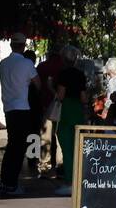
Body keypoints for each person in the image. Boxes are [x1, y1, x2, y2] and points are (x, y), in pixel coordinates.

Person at [0, 32, 39, 197]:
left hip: (8, 108)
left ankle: (5, 182)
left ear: (11, 45)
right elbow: (38, 84)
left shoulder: (2, 64)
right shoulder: (27, 64)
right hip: (22, 108)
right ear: (23, 45)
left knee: (11, 146)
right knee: (19, 148)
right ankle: (11, 184)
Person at [53, 45, 88, 197]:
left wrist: (50, 88)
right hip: (78, 111)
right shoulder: (81, 75)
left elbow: (60, 95)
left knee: (66, 147)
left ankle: (69, 182)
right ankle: (78, 179)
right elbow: (84, 97)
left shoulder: (62, 74)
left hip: (66, 109)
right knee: (77, 146)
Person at [35, 47, 64, 174]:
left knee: (45, 137)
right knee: (59, 137)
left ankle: (44, 166)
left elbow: (37, 86)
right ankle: (60, 165)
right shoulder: (63, 68)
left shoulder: (41, 67)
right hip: (62, 106)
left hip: (46, 105)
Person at [23, 48, 42, 176]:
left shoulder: (20, 72)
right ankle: (32, 160)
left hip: (23, 107)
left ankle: (27, 159)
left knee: (22, 134)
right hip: (33, 108)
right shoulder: (33, 72)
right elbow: (39, 87)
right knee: (34, 134)